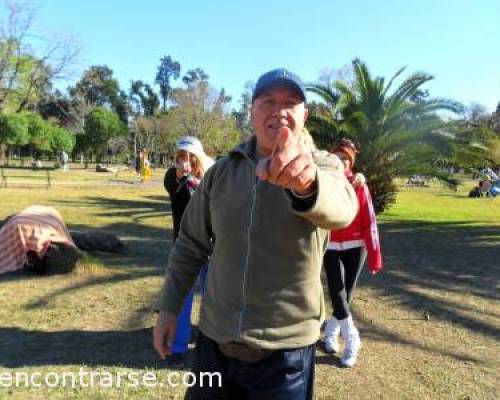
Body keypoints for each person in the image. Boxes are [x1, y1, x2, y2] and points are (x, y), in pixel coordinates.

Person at [153, 68, 358, 399]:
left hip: (284, 356)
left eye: (291, 102)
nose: (279, 110)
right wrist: (169, 307)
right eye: (268, 101)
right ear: (252, 111)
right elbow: (190, 244)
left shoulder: (324, 167)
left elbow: (342, 208)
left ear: (304, 114)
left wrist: (306, 185)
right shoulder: (221, 173)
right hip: (213, 347)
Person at [322, 138, 383, 368]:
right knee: (337, 292)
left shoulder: (360, 185)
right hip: (330, 245)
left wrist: (375, 255)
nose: (341, 161)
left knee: (346, 293)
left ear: (351, 161)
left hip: (356, 246)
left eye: (345, 158)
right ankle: (352, 338)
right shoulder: (323, 182)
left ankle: (330, 332)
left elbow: (370, 221)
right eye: (337, 157)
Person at [162, 136, 214, 365]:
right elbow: (177, 192)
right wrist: (184, 178)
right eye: (181, 157)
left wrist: (195, 178)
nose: (185, 162)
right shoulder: (172, 178)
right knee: (182, 297)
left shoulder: (211, 178)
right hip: (184, 247)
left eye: (190, 158)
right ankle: (178, 346)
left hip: (212, 248)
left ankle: (211, 341)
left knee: (213, 296)